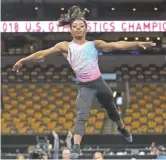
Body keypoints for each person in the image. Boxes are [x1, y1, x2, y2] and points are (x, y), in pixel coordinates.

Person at [13, 5, 156, 159]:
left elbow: (116, 45)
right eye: (75, 26)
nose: (78, 28)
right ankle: (76, 147)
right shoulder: (65, 46)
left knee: (112, 110)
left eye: (81, 26)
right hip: (84, 86)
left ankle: (122, 128)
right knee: (82, 114)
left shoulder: (94, 45)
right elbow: (42, 53)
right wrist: (23, 60)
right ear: (70, 30)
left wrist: (137, 43)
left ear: (86, 29)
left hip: (99, 83)